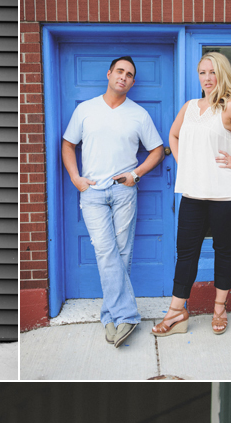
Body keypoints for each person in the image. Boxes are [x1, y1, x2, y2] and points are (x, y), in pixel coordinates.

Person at [152, 52, 231, 338]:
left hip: (227, 194)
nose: (207, 78)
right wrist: (185, 162)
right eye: (202, 72)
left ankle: (219, 309)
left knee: (224, 249)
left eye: (212, 72)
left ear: (222, 74)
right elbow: (173, 135)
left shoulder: (230, 106)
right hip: (194, 193)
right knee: (186, 252)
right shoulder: (191, 106)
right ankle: (176, 311)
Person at [62, 57, 165, 348]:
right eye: (119, 71)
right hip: (92, 192)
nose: (123, 77)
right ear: (109, 74)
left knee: (122, 253)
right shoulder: (86, 110)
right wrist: (75, 178)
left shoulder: (139, 115)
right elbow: (68, 144)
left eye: (129, 75)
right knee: (106, 252)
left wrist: (136, 174)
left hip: (124, 192)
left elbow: (157, 150)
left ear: (132, 82)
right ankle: (128, 316)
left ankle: (110, 315)